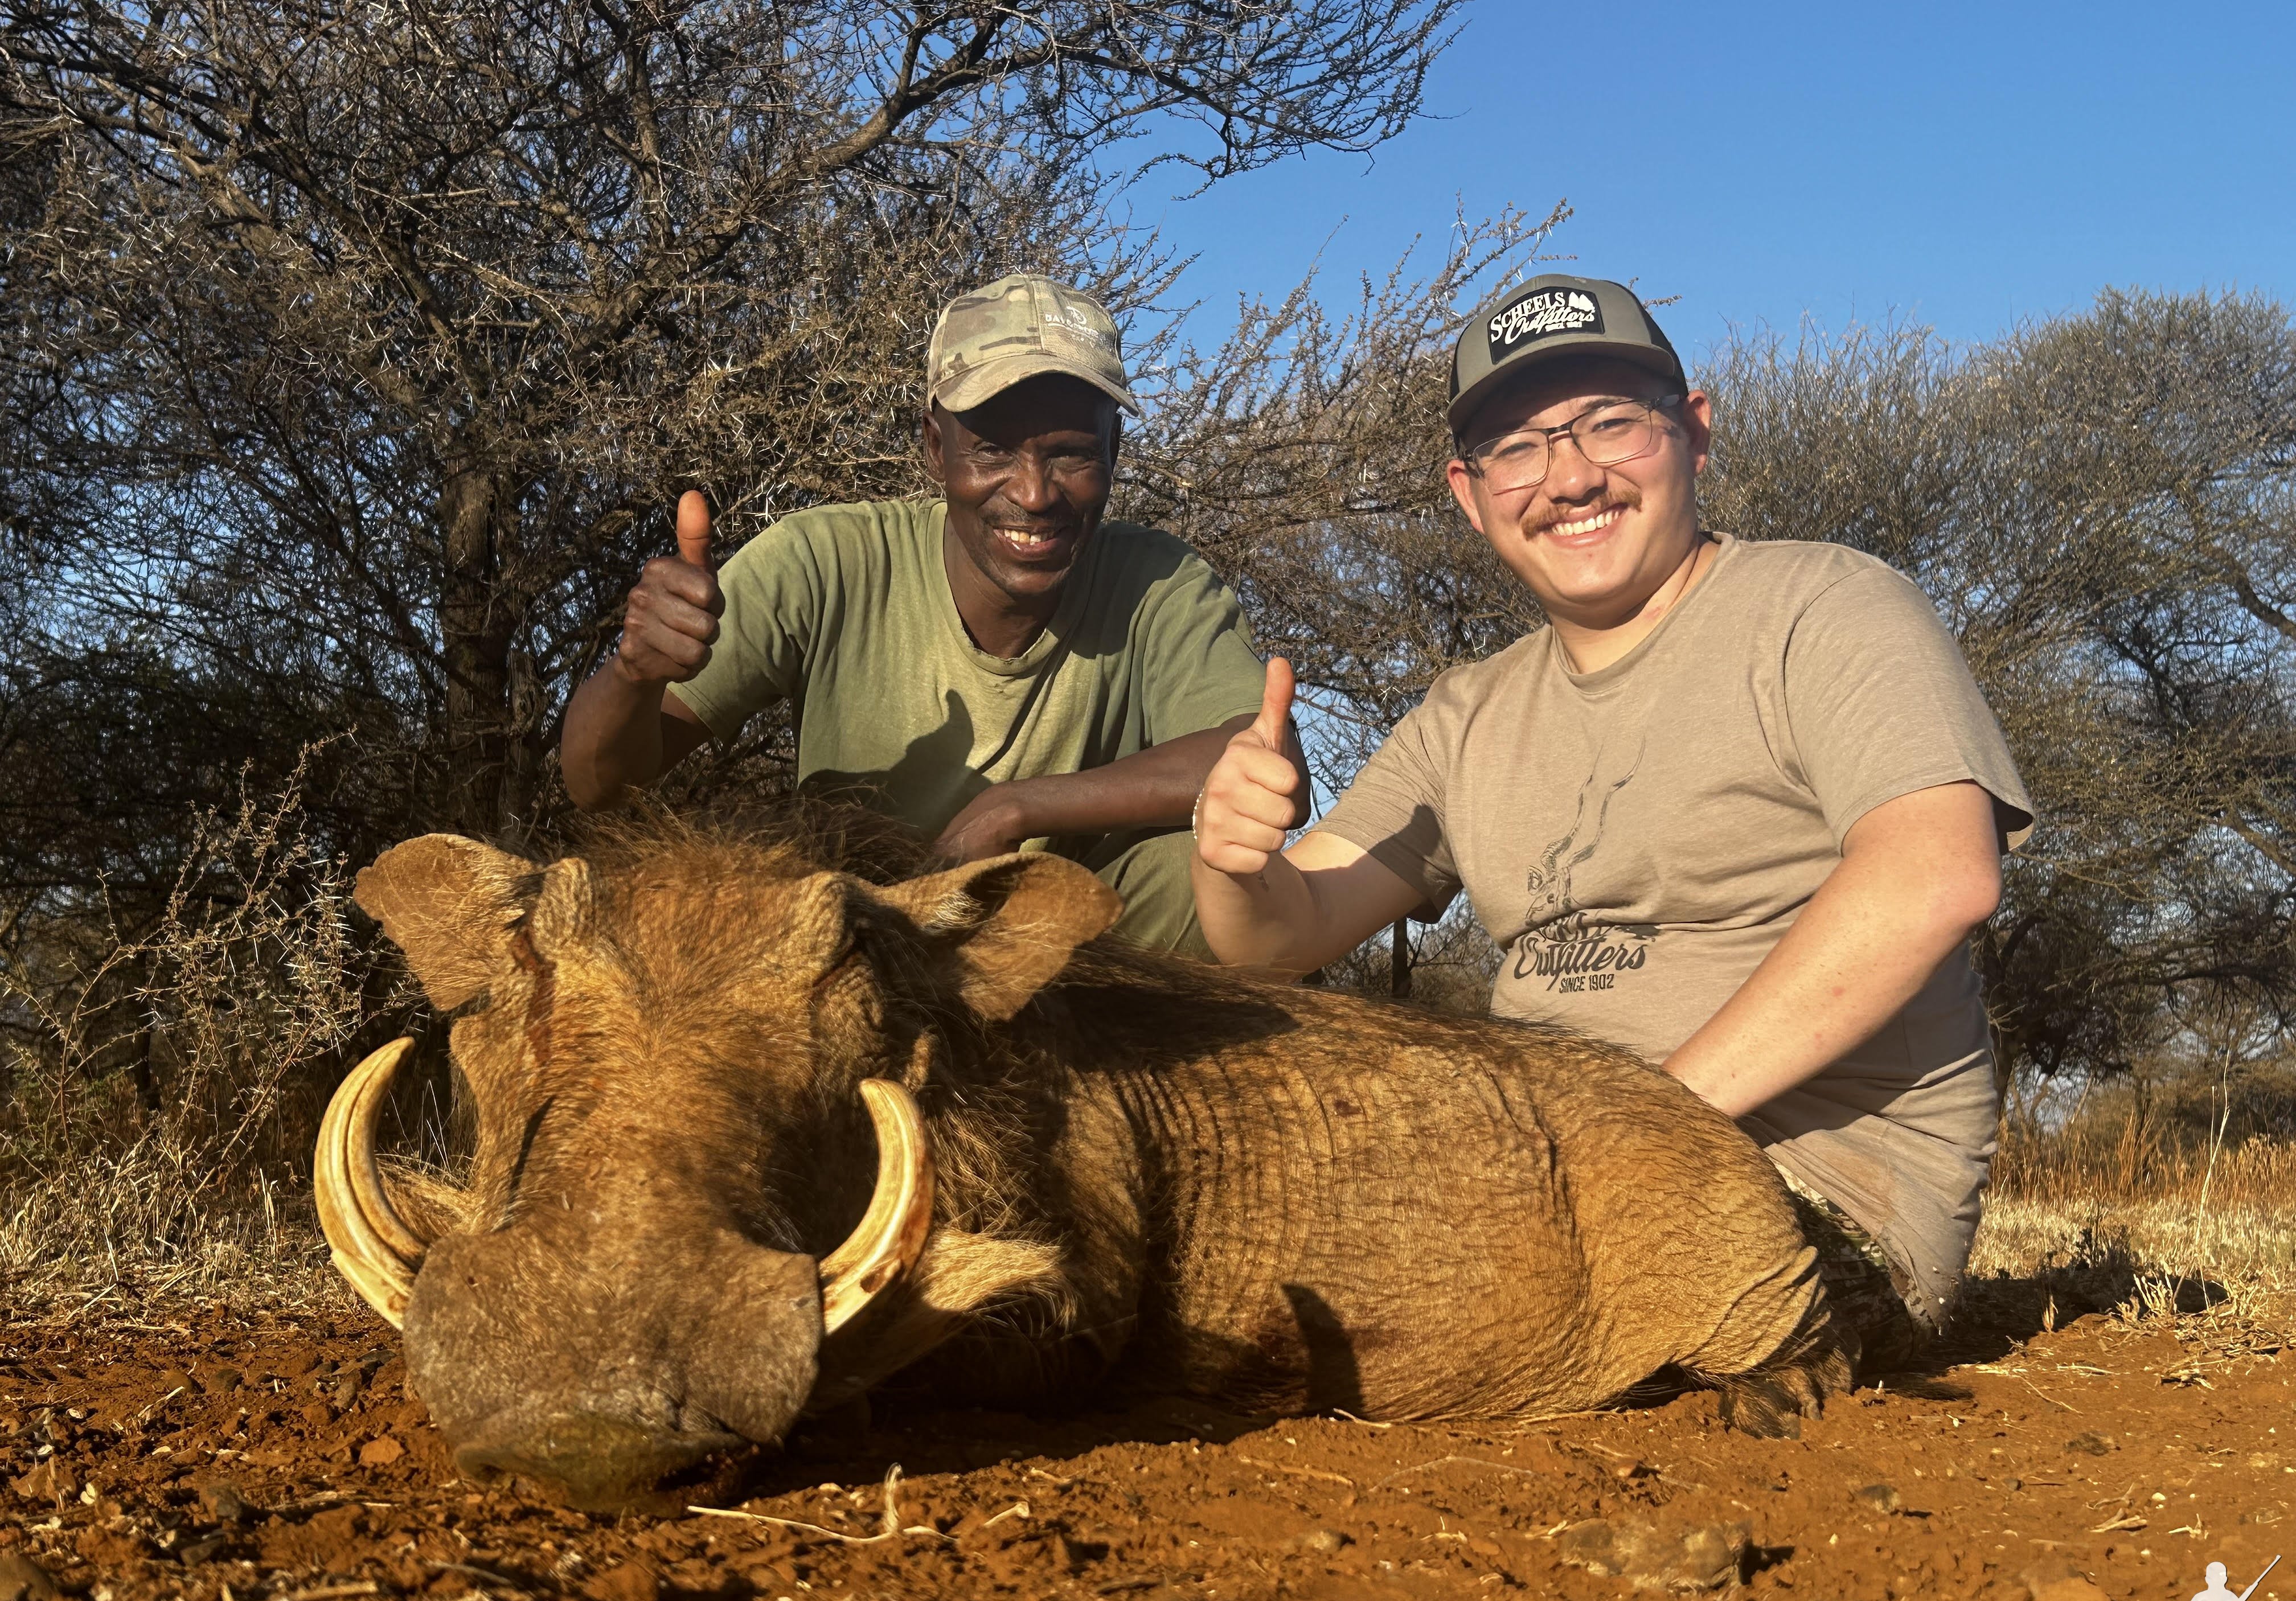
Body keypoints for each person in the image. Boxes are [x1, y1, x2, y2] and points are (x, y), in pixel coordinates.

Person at [1191, 273, 2033, 1364]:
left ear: (1693, 429)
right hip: (1544, 1174)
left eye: (1610, 422)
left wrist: (1627, 1130)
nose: (1570, 474)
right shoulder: (1465, 712)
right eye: (1519, 444)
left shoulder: (1828, 604)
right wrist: (1230, 855)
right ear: (1469, 487)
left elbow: (1936, 875)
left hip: (1797, 1190)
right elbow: (1276, 939)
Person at [563, 272, 1305, 955]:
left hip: (1055, 947)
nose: (1035, 492)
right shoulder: (824, 560)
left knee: (1218, 868)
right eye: (991, 449)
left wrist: (1015, 809)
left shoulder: (1160, 581)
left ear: (1114, 452)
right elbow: (596, 783)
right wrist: (633, 673)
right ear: (933, 447)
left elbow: (1267, 764)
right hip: (848, 945)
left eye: (1073, 454)